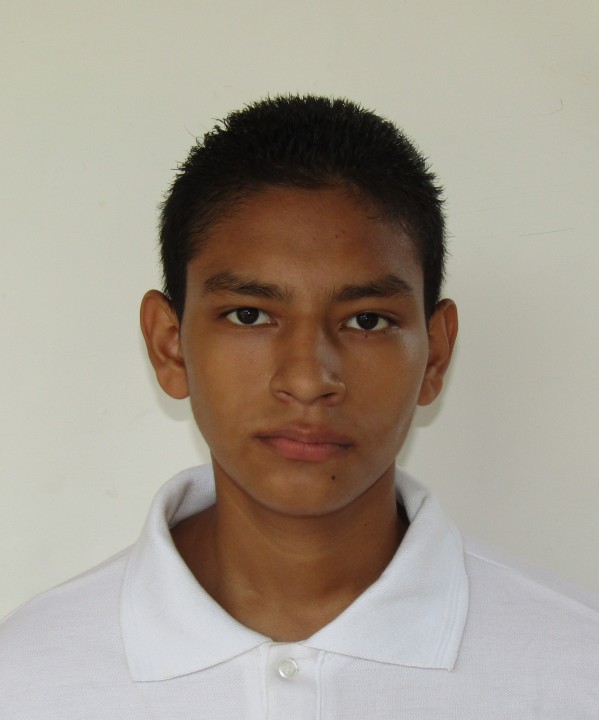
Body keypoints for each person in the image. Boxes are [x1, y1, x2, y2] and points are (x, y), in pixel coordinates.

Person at [1, 95, 597, 718]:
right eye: (249, 315)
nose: (309, 380)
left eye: (367, 321)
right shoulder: (26, 680)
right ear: (170, 345)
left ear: (435, 354)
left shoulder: (578, 670)